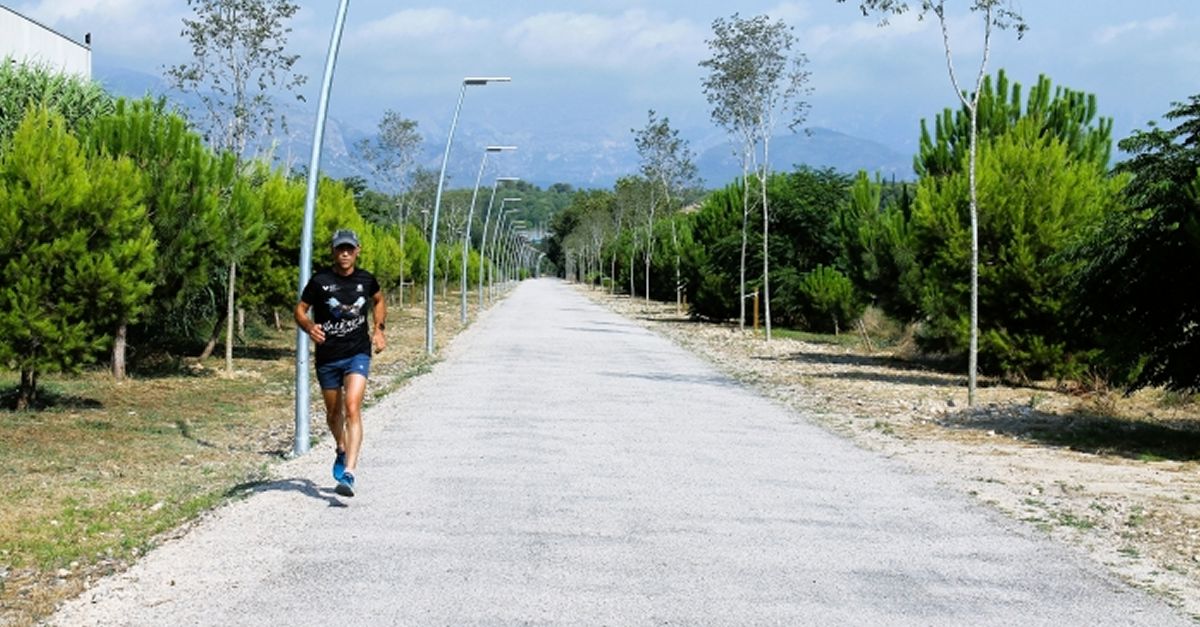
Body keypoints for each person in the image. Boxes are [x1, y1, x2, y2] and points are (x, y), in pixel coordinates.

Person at [294, 229, 386, 497]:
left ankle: (349, 472)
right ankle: (341, 447)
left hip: (357, 351)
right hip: (328, 356)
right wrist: (309, 327)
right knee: (334, 415)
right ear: (333, 252)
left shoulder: (366, 280)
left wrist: (379, 329)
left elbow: (379, 300)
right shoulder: (320, 281)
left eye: (349, 249)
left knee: (352, 406)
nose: (344, 253)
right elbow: (300, 309)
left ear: (357, 250)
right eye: (339, 249)